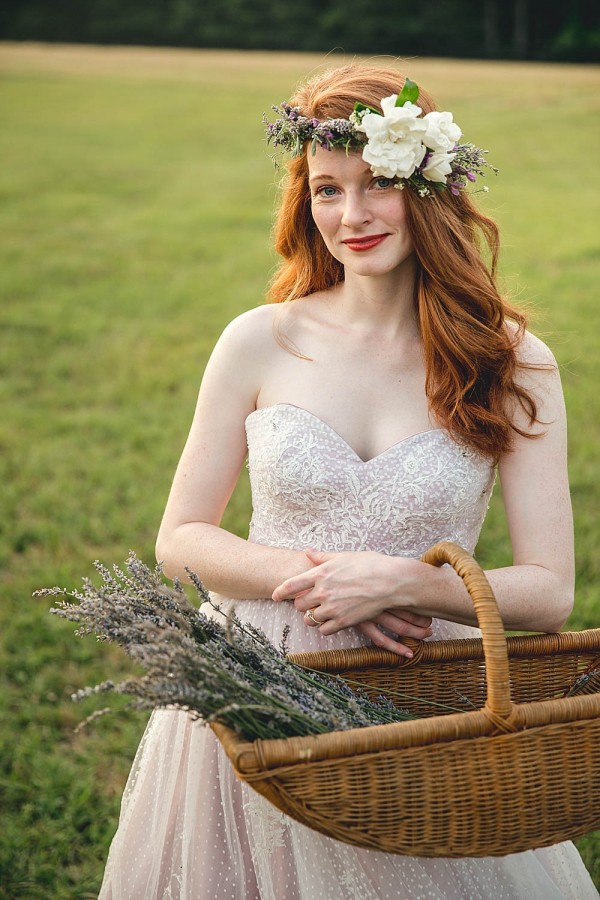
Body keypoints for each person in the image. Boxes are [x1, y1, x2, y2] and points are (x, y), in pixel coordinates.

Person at [99, 64, 598, 899]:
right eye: (327, 190)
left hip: (420, 687)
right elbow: (181, 537)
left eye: (376, 186)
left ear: (429, 189)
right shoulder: (257, 341)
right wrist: (323, 580)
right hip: (259, 679)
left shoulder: (512, 361)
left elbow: (550, 592)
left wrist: (405, 582)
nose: (352, 216)